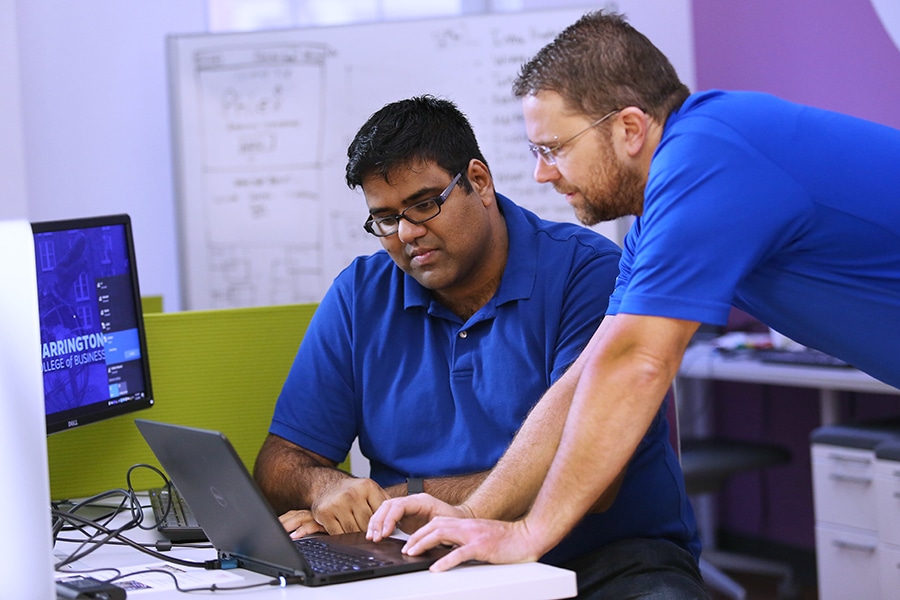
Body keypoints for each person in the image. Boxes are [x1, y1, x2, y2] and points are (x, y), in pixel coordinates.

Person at [368, 6, 900, 589]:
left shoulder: (709, 157)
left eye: (553, 148)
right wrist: (476, 514)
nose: (542, 174)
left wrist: (531, 532)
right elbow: (591, 372)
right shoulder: (660, 208)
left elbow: (639, 363)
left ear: (627, 129)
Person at [253, 96, 701, 595]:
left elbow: (590, 478)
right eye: (385, 218)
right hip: (423, 561)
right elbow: (279, 460)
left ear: (479, 182)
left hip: (599, 561)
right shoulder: (360, 295)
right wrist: (324, 488)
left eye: (425, 204)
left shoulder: (587, 272)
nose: (407, 233)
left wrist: (393, 500)